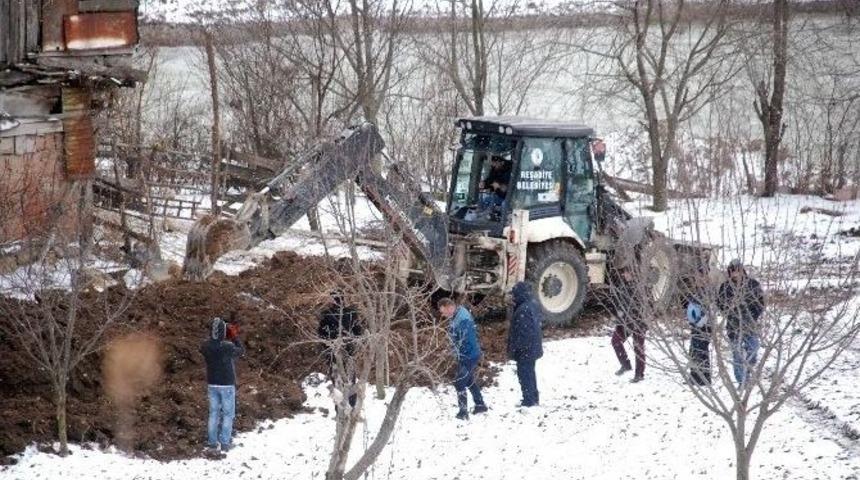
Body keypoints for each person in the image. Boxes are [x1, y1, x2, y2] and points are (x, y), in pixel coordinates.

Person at [717, 259, 765, 386]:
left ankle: (748, 369)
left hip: (749, 322)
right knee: (737, 354)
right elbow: (720, 304)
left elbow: (761, 302)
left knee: (753, 348)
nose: (736, 274)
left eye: (738, 270)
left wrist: (753, 315)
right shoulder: (725, 287)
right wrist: (729, 309)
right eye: (733, 271)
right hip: (733, 324)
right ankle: (742, 382)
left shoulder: (753, 284)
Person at [200, 317, 245, 452]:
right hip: (226, 384)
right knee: (227, 414)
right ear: (223, 332)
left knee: (213, 413)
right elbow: (241, 351)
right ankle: (225, 442)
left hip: (212, 383)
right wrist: (234, 337)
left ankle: (212, 442)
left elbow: (207, 346)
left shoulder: (205, 346)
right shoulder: (227, 347)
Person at [438, 297, 487, 420]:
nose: (443, 315)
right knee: (469, 380)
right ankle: (480, 405)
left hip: (469, 355)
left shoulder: (463, 319)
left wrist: (462, 356)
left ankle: (463, 412)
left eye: (443, 311)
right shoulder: (456, 316)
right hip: (467, 354)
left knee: (459, 383)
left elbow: (467, 340)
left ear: (450, 307)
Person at [318, 291, 363, 409]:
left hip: (336, 353)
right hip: (347, 352)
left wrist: (329, 347)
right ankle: (350, 405)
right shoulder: (351, 313)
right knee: (350, 380)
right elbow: (358, 332)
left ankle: (341, 408)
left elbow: (322, 335)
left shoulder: (327, 315)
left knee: (338, 381)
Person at [507, 281, 543, 407]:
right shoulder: (531, 305)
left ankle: (529, 401)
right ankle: (533, 398)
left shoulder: (523, 309)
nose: (513, 297)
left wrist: (518, 349)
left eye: (514, 295)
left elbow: (525, 332)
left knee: (525, 374)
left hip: (526, 350)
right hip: (531, 348)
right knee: (530, 373)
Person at [609, 266, 648, 383]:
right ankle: (625, 364)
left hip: (638, 322)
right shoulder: (622, 286)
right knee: (615, 341)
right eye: (624, 273)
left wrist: (636, 317)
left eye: (627, 273)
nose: (625, 275)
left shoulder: (640, 288)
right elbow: (617, 302)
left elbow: (643, 305)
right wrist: (617, 314)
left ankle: (639, 373)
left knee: (638, 348)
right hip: (623, 322)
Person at [686, 276, 712, 386]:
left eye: (702, 277)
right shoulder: (694, 293)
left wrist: (701, 322)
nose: (699, 280)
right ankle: (694, 376)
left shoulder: (709, 293)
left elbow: (710, 310)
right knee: (693, 350)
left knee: (702, 351)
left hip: (704, 327)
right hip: (695, 326)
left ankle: (704, 378)